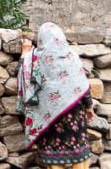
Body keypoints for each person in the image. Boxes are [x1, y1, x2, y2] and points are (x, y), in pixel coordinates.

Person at [18, 22, 94, 168]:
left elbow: (21, 73)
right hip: (74, 115)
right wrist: (89, 106)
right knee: (79, 157)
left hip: (49, 118)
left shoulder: (33, 59)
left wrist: (25, 52)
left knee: (53, 159)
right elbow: (82, 84)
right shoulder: (71, 57)